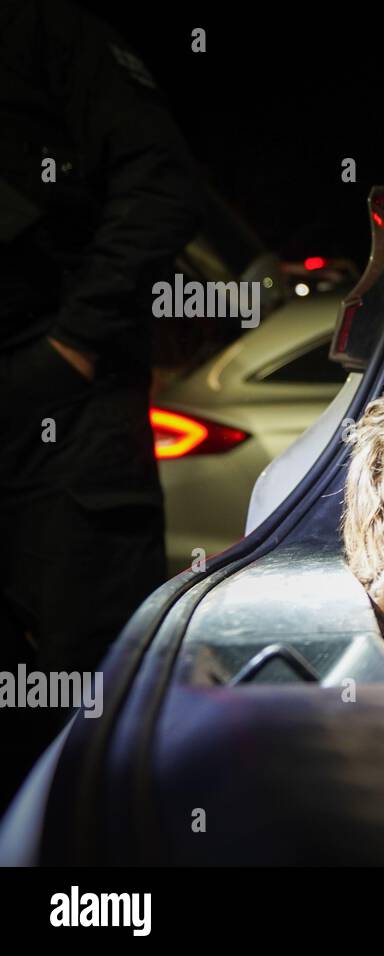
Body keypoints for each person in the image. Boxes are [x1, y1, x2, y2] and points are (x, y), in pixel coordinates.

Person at [0, 0, 205, 806]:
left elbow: (160, 183)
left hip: (62, 402)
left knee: (88, 686)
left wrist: (73, 345)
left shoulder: (43, 29)